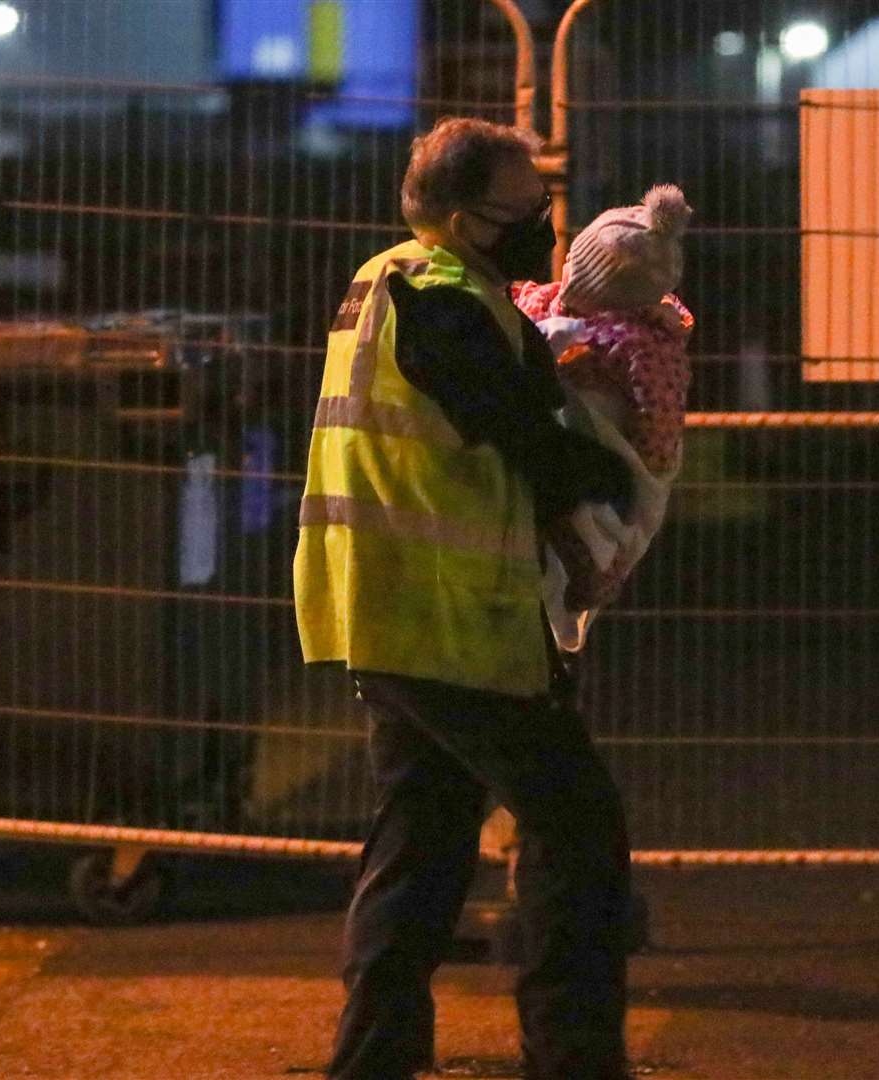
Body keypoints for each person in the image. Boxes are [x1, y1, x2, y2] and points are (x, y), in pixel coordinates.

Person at [292, 116, 637, 1080]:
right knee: (576, 827)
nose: (543, 224)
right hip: (456, 624)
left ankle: (373, 1059)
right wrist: (608, 473)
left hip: (386, 612)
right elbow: (513, 427)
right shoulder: (442, 297)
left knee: (424, 837)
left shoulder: (389, 279)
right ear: (459, 216)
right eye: (523, 209)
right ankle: (573, 1058)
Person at [513, 184, 695, 652]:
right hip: (562, 443)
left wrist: (651, 466)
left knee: (598, 517)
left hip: (603, 451)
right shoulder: (549, 302)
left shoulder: (641, 343)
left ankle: (592, 565)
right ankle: (583, 564)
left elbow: (657, 416)